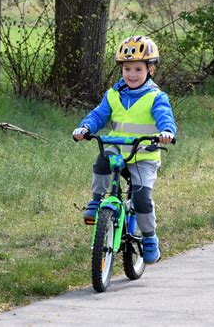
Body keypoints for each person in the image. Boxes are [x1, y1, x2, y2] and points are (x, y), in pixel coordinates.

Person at [73, 35, 177, 264]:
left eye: (138, 69)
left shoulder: (156, 97)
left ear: (150, 70)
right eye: (127, 68)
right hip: (118, 149)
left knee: (141, 198)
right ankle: (97, 200)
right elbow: (99, 115)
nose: (131, 74)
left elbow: (165, 117)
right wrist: (85, 127)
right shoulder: (113, 94)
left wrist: (167, 132)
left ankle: (149, 237)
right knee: (102, 159)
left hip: (144, 154)